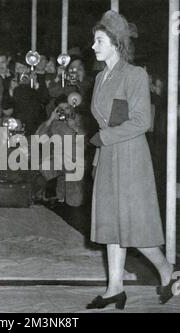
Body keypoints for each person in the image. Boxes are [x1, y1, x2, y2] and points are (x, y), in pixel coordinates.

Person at [87, 10, 177, 310]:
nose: (93, 47)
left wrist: (105, 139)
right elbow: (104, 121)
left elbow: (141, 122)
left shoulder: (135, 75)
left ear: (116, 44)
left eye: (99, 41)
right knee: (112, 224)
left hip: (131, 157)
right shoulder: (100, 77)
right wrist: (100, 153)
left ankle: (166, 271)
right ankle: (114, 287)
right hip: (109, 157)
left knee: (134, 227)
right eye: (94, 41)